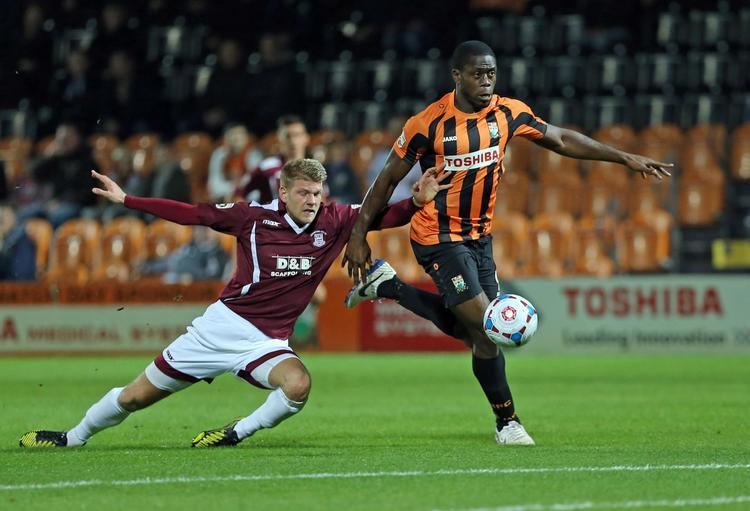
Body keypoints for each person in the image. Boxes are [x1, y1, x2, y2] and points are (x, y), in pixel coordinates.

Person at [342, 40, 672, 446]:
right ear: (457, 76)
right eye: (478, 73)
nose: (486, 80)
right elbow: (386, 181)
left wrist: (624, 157)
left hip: (481, 239)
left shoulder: (508, 113)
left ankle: (386, 285)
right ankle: (508, 423)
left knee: (477, 337)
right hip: (438, 237)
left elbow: (562, 139)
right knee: (488, 329)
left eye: (491, 73)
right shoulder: (427, 124)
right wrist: (358, 236)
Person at [19, 158, 450, 449]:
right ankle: (71, 437)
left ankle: (234, 434)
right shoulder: (252, 219)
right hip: (219, 329)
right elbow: (194, 214)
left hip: (266, 343)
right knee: (133, 398)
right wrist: (128, 201)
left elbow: (383, 216)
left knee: (298, 385)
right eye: (303, 192)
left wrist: (415, 200)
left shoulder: (336, 221)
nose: (312, 200)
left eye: (317, 192)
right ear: (283, 192)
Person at [235, 115, 309, 204]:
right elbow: (238, 194)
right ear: (278, 139)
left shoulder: (316, 170)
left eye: (297, 135)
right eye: (287, 136)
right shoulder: (266, 167)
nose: (292, 141)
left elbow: (323, 202)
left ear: (306, 138)